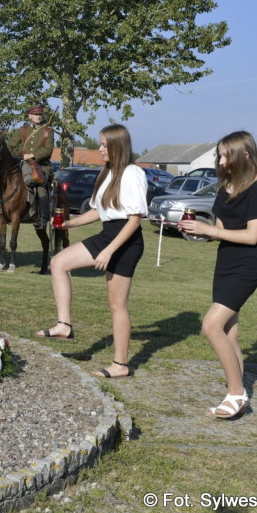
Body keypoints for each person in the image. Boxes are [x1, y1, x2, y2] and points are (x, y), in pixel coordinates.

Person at [37, 124, 147, 380]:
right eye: (100, 144)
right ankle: (64, 325)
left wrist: (109, 250)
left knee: (117, 304)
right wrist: (70, 223)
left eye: (104, 145)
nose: (100, 150)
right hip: (108, 234)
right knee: (59, 262)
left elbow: (134, 220)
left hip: (126, 241)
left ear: (118, 146)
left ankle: (120, 364)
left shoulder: (133, 173)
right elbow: (98, 211)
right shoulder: (107, 173)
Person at [179, 131, 257, 419]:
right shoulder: (225, 187)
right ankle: (237, 392)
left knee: (210, 326)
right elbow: (222, 229)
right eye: (219, 155)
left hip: (247, 266)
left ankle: (236, 395)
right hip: (225, 264)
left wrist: (211, 230)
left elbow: (251, 236)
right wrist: (199, 230)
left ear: (245, 154)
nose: (221, 161)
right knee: (229, 331)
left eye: (226, 155)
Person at [6, 105, 55, 228]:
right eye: (35, 114)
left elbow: (48, 151)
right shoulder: (23, 130)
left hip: (41, 166)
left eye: (40, 115)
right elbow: (10, 145)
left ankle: (43, 218)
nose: (38, 116)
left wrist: (32, 155)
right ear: (30, 116)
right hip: (23, 165)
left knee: (40, 187)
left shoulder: (48, 131)